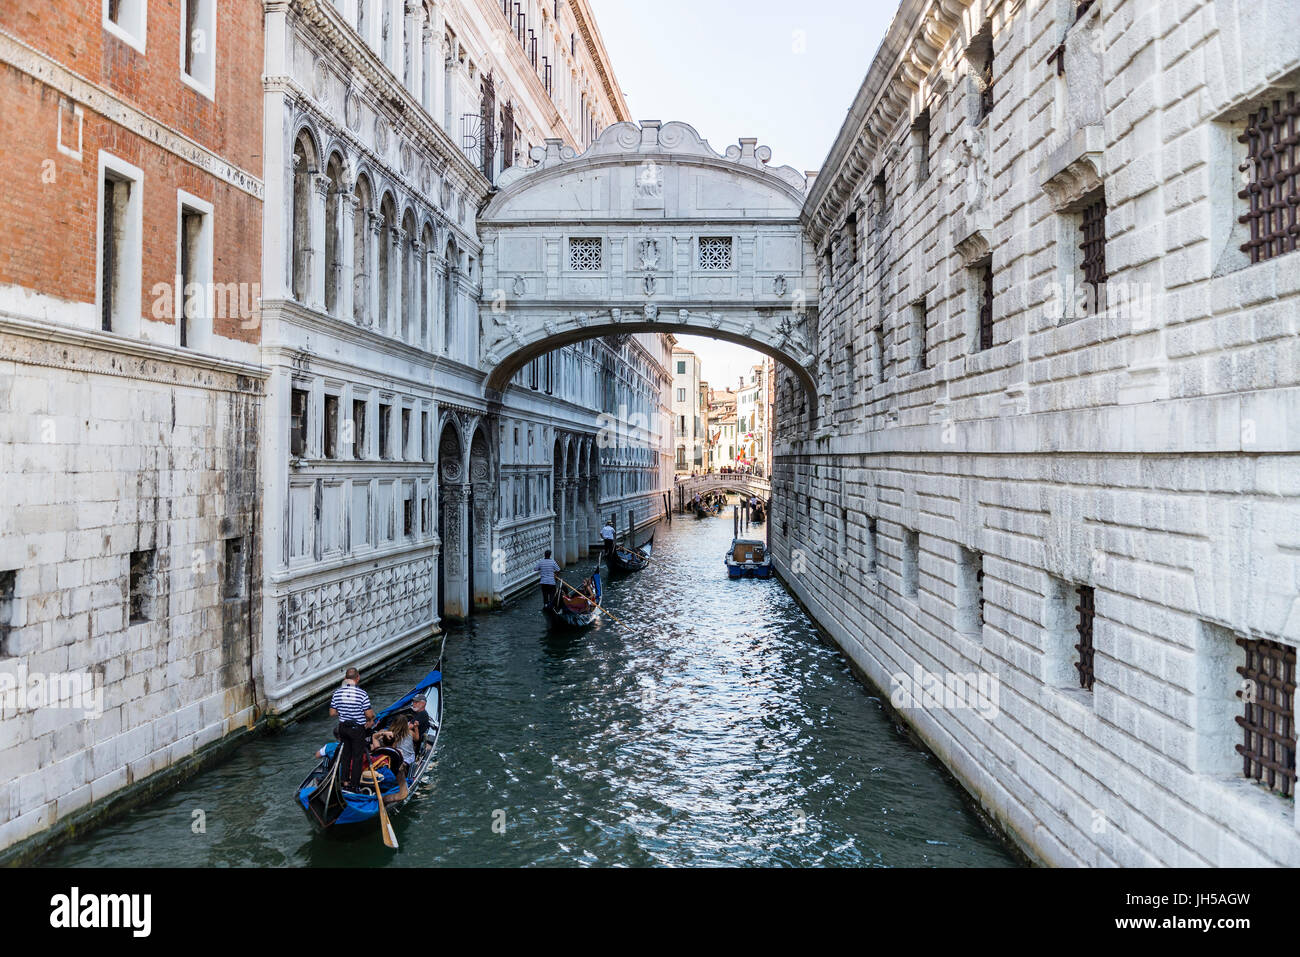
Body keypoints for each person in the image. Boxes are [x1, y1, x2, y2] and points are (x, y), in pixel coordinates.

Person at [329, 667, 374, 790]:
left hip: (343, 728)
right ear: (358, 678)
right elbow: (369, 714)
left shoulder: (337, 693)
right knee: (357, 757)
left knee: (346, 755)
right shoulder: (362, 694)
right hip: (357, 729)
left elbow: (332, 713)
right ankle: (354, 785)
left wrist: (343, 713)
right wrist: (371, 719)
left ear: (345, 679)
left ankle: (344, 781)